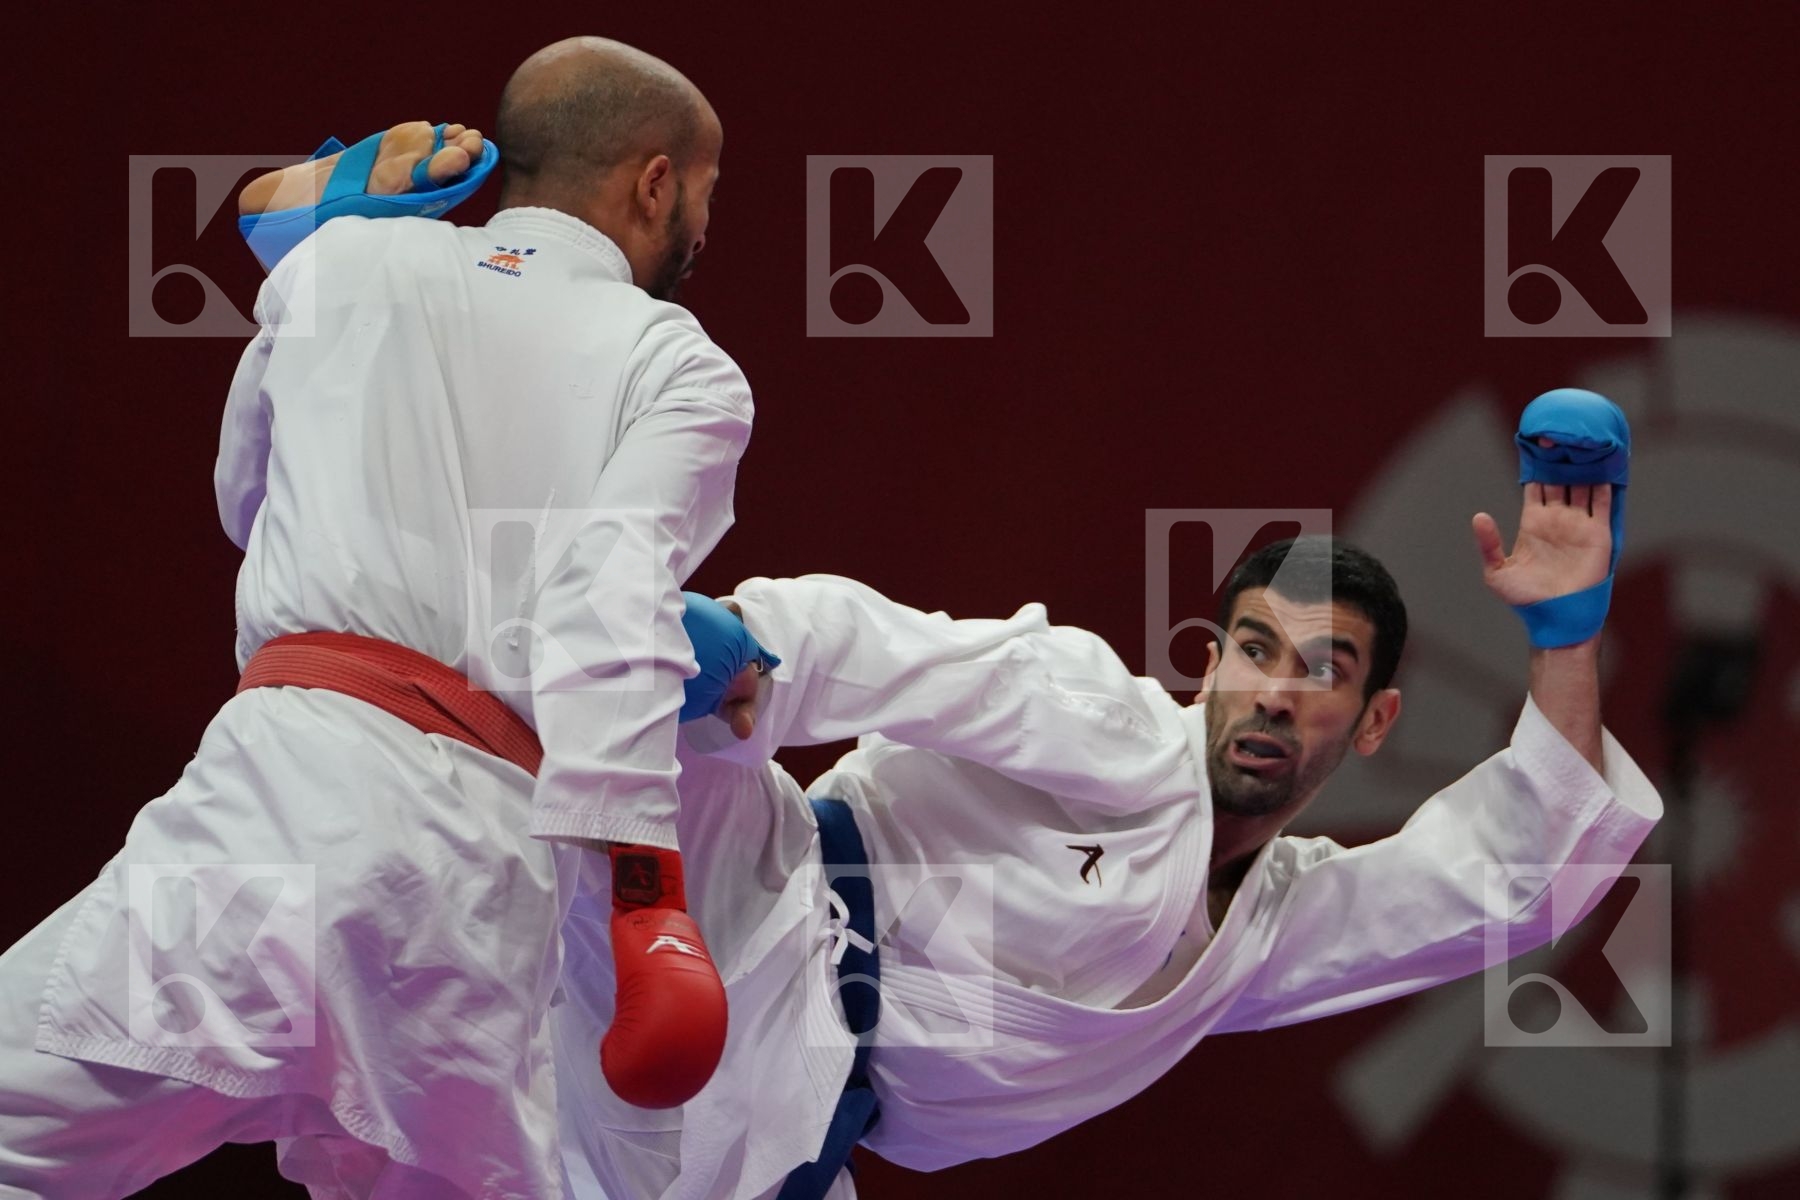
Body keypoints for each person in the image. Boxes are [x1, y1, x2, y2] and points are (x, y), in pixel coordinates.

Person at [0, 36, 747, 1199]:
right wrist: (647, 893)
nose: (704, 225)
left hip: (270, 810)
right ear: (655, 182)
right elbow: (608, 602)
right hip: (464, 891)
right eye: (706, 192)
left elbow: (244, 499)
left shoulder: (340, 264)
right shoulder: (681, 366)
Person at [552, 481, 1660, 1199]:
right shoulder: (1111, 725)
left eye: (1322, 670)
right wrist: (752, 647)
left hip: (795, 1124)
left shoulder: (1270, 929)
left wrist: (1567, 637)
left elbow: (1507, 880)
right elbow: (897, 653)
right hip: (756, 899)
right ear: (1209, 667)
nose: (1275, 693)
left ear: (1374, 723)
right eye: (1254, 650)